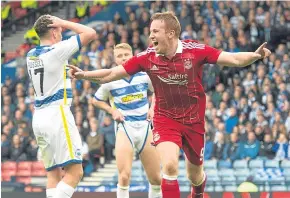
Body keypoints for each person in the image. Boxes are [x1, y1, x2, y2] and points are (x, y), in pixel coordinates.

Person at [69, 11, 271, 198]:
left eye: (155, 31)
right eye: (150, 32)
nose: (151, 36)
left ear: (171, 33)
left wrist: (255, 56)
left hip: (194, 121)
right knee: (170, 166)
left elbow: (233, 59)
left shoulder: (196, 51)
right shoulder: (148, 57)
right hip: (165, 119)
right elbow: (112, 73)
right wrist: (84, 75)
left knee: (195, 176)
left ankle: (197, 191)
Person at [26, 15, 96, 198]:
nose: (63, 33)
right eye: (60, 30)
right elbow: (90, 32)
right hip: (57, 114)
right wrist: (63, 22)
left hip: (39, 118)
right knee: (75, 172)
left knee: (53, 173)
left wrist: (64, 73)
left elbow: (49, 70)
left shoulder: (31, 55)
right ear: (53, 30)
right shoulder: (57, 51)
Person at [93, 43, 161, 198]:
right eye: (119, 56)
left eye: (126, 55)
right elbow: (96, 100)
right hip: (125, 128)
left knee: (156, 178)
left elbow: (158, 90)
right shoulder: (110, 79)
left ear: (132, 55)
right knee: (124, 176)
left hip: (145, 127)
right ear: (115, 59)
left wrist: (152, 108)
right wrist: (112, 111)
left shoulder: (144, 75)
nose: (123, 58)